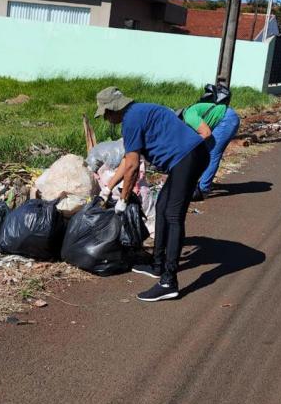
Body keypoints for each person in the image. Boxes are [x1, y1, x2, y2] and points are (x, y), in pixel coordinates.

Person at [95, 86, 209, 302]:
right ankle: (157, 265)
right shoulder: (140, 111)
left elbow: (132, 166)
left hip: (187, 158)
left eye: (106, 114)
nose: (106, 119)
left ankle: (169, 281)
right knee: (161, 207)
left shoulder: (131, 121)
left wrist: (123, 199)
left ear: (114, 108)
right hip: (189, 157)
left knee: (173, 216)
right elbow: (127, 161)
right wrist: (109, 187)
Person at [181, 101, 241, 200]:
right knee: (202, 152)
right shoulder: (187, 117)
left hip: (226, 120)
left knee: (212, 154)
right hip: (223, 119)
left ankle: (202, 190)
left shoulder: (189, 117)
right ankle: (200, 182)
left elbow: (206, 133)